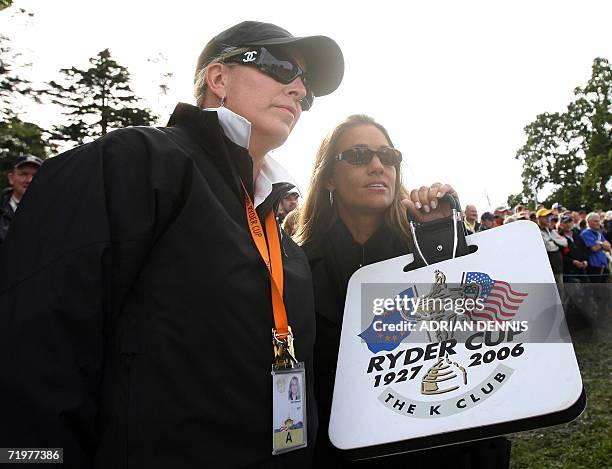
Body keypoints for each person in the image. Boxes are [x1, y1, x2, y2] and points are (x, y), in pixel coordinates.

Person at [0, 21, 344, 469]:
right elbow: (36, 351)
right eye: (281, 68)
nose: (299, 89)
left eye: (307, 87)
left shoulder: (282, 242)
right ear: (218, 79)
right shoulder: (135, 161)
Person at [297, 114, 511, 468]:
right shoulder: (295, 264)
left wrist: (445, 241)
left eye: (389, 156)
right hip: (338, 451)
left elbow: (480, 337)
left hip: (438, 449)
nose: (378, 165)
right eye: (359, 155)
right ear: (329, 178)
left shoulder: (424, 245)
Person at [0, 154, 43, 244]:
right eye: (23, 174)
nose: (29, 180)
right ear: (11, 178)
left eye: (36, 175)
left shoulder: (53, 211)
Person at [581, 212, 611, 283]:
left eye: (599, 221)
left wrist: (600, 244)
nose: (598, 223)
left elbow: (608, 246)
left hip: (604, 265)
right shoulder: (585, 233)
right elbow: (594, 248)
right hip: (594, 266)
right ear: (589, 222)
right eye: (596, 221)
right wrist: (602, 244)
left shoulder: (598, 233)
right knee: (597, 289)